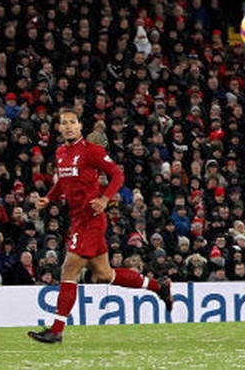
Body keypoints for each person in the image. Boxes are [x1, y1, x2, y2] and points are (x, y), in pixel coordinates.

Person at [28, 108, 173, 344]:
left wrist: (105, 199)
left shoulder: (91, 151)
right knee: (105, 274)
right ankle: (159, 288)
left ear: (80, 126)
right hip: (78, 219)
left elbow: (117, 175)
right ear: (59, 127)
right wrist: (50, 197)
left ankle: (56, 330)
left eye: (72, 122)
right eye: (63, 123)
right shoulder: (61, 153)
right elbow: (64, 182)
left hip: (91, 220)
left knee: (68, 270)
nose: (67, 126)